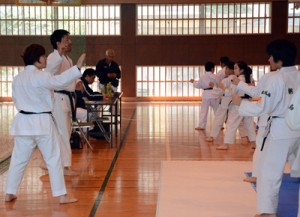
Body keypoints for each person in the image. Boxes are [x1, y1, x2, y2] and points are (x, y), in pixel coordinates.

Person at [5, 43, 85, 204]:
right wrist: (77, 68)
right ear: (37, 58)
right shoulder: (41, 76)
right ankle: (62, 196)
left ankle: (9, 193)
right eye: (43, 56)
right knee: (53, 158)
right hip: (41, 122)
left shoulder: (17, 78)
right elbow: (60, 81)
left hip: (23, 123)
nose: (45, 59)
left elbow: (15, 99)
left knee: (18, 160)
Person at [231, 39, 300, 217]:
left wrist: (241, 104)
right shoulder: (297, 75)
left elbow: (264, 106)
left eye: (271, 56)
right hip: (297, 129)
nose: (269, 60)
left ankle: (268, 212)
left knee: (269, 173)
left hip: (280, 131)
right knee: (295, 165)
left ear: (279, 59)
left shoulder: (276, 79)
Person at [45, 29, 76, 175]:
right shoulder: (53, 57)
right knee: (63, 132)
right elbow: (50, 72)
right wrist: (59, 53)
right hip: (58, 98)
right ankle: (64, 166)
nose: (69, 42)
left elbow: (68, 77)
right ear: (58, 43)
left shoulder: (67, 58)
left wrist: (78, 82)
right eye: (66, 40)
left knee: (64, 132)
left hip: (66, 98)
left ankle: (51, 163)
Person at [190, 61, 219, 130]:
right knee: (217, 110)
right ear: (212, 69)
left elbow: (198, 85)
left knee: (204, 111)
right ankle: (219, 125)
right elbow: (219, 85)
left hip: (206, 94)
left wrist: (193, 82)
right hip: (214, 94)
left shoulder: (203, 77)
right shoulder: (215, 76)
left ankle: (201, 126)